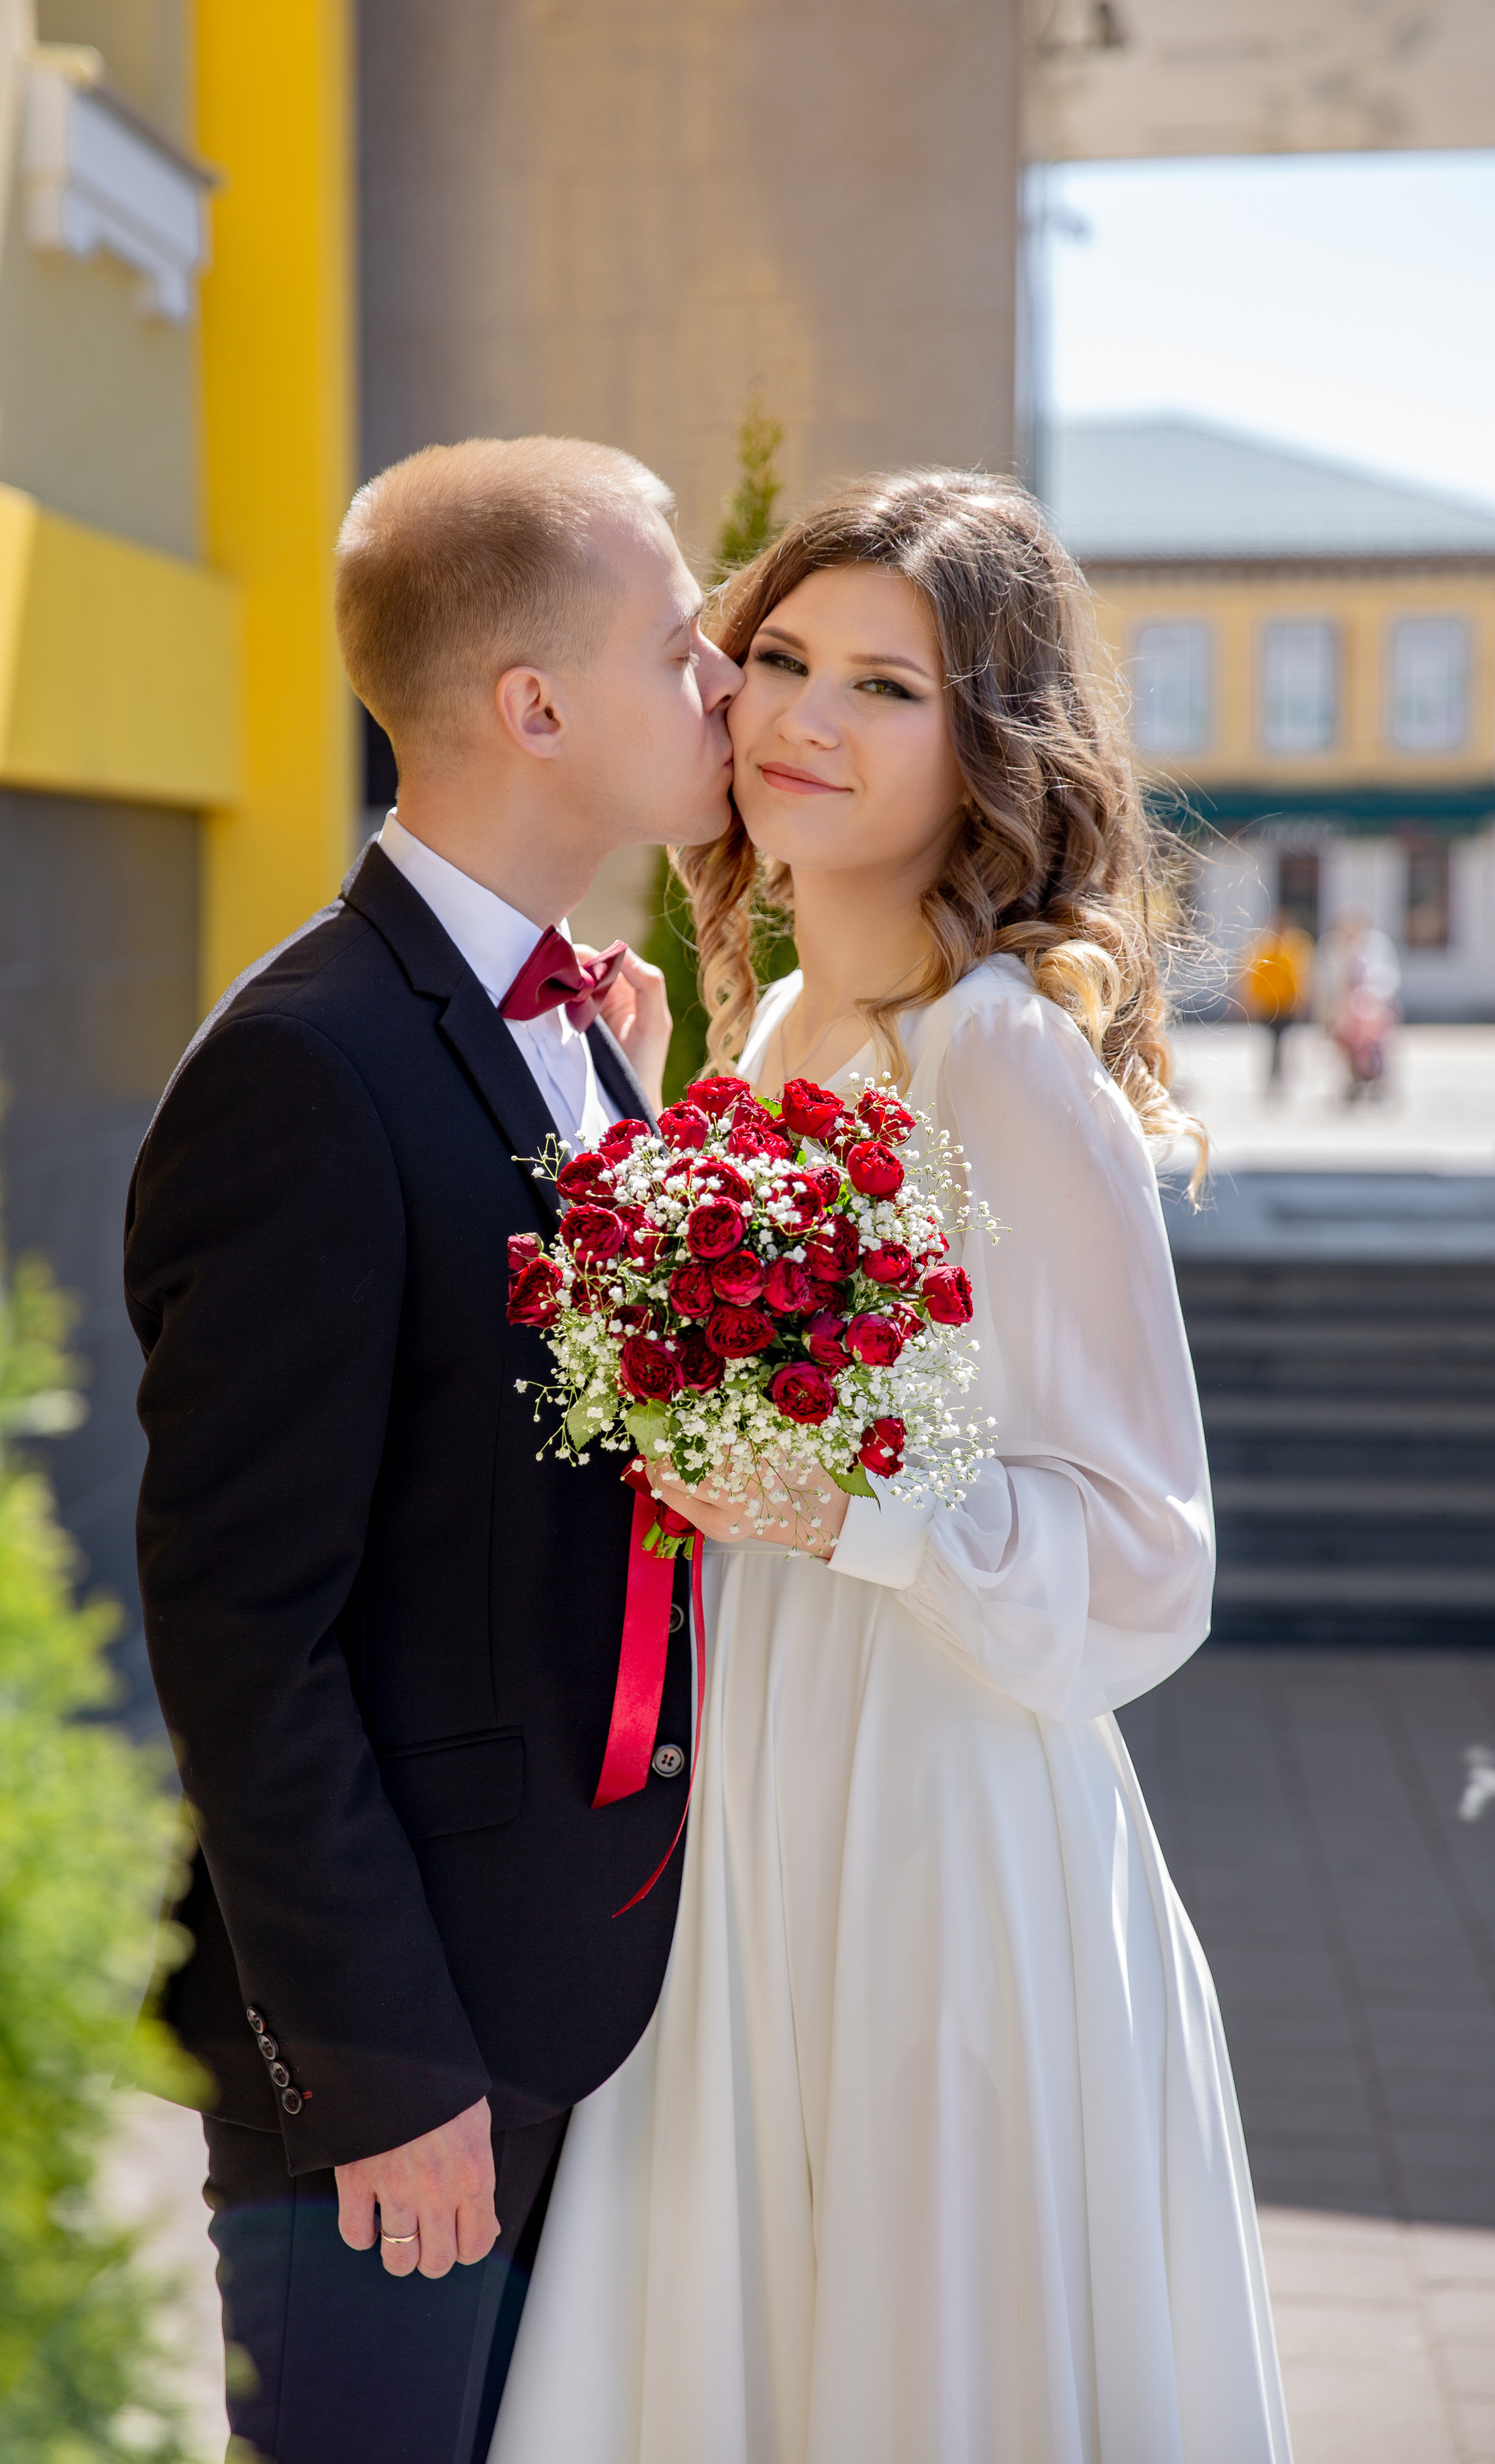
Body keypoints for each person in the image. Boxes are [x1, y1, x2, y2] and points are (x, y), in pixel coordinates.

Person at [491, 472, 1291, 2463]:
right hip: (760, 1762)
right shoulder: (766, 1018)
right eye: (774, 657)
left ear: (984, 752)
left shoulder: (997, 1056)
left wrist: (850, 1505)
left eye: (884, 685)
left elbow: (1143, 1556)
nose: (800, 719)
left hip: (936, 1799)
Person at [123, 436, 742, 2464]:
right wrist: (383, 2068)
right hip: (400, 2069)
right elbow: (240, 1628)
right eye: (681, 645)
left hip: (579, 2000)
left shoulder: (577, 1033)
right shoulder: (307, 1066)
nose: (724, 686)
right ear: (533, 705)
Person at [1317, 904, 1400, 1104]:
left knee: (1374, 1048)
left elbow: (1385, 976)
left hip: (1372, 1009)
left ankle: (1376, 1082)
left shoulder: (1375, 945)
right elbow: (1330, 982)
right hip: (1347, 1010)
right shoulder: (1335, 947)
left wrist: (1370, 998)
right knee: (1349, 1049)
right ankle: (1355, 1082)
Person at [1241, 904, 1314, 1090]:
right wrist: (1252, 1002)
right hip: (1269, 1005)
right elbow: (1255, 978)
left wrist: (1301, 1002)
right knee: (1273, 1041)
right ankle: (1274, 1073)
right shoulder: (1264, 950)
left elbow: (1300, 979)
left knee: (1282, 1042)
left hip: (1286, 1005)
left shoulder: (1294, 950)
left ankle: (1279, 1073)